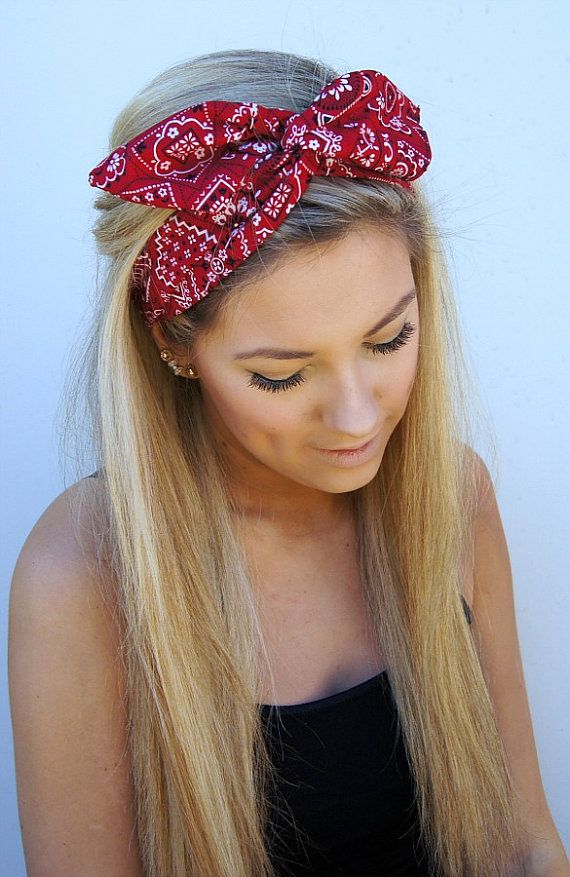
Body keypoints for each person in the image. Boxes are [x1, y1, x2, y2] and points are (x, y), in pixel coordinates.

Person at [7, 48, 569, 877]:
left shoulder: (453, 492)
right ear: (173, 343)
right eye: (282, 374)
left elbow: (524, 845)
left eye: (390, 339)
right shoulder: (84, 576)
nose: (358, 416)